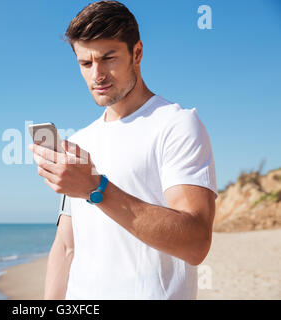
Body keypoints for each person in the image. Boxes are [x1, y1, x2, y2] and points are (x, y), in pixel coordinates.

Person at [28, 0, 217, 299]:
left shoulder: (177, 125)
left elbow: (196, 243)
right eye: (86, 63)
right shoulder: (81, 142)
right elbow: (66, 247)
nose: (97, 75)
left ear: (137, 53)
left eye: (109, 58)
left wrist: (95, 188)